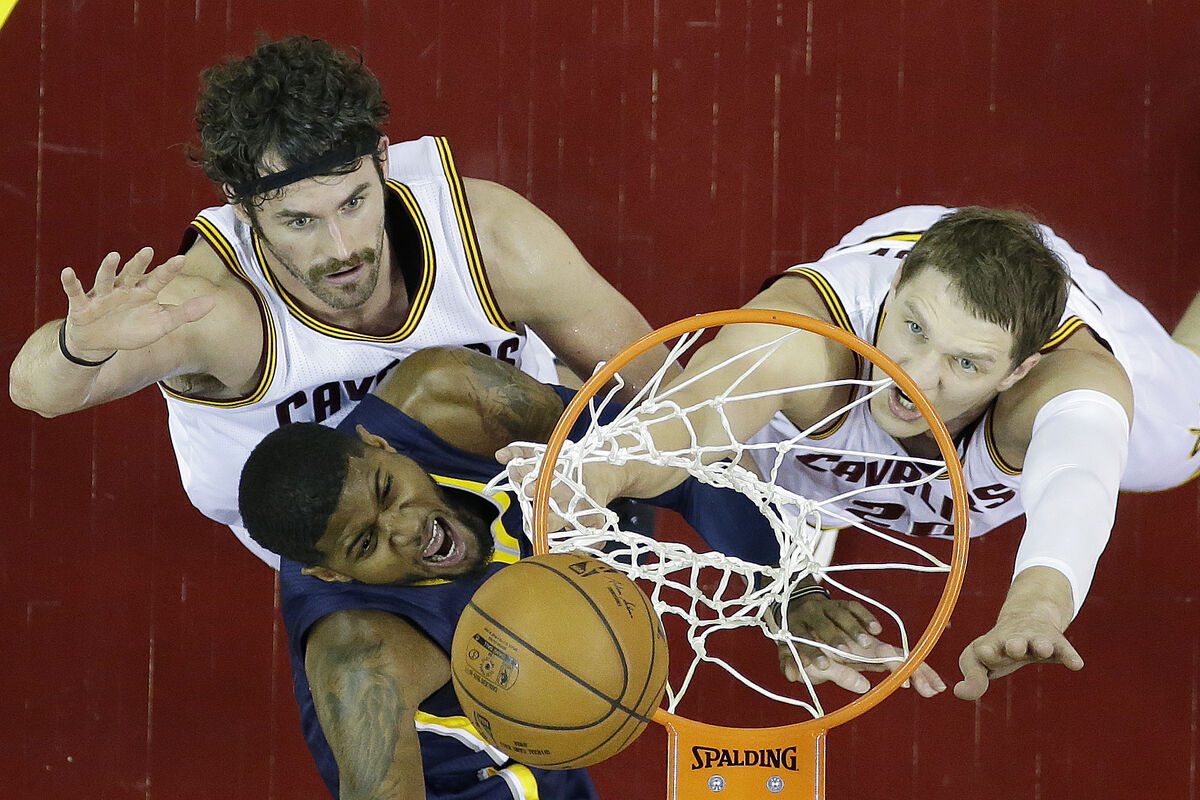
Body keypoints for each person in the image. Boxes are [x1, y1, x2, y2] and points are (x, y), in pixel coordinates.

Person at [7, 34, 670, 568]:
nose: (342, 246)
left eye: (353, 202)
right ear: (241, 207)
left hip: (519, 475)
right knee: (361, 664)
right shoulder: (213, 310)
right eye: (300, 221)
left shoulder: (489, 237)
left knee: (455, 384)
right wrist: (77, 347)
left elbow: (663, 388)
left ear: (383, 160)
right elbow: (36, 391)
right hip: (350, 550)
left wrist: (621, 474)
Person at [500, 204, 1200, 701]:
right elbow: (689, 423)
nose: (915, 378)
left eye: (964, 364)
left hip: (1077, 334)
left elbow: (1076, 483)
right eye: (912, 330)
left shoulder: (1065, 391)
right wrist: (595, 473)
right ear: (892, 294)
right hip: (810, 405)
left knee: (1185, 445)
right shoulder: (802, 344)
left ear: (1018, 371)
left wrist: (1038, 609)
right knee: (709, 426)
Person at [237, 346, 774, 800]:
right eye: (367, 543)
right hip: (469, 782)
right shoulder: (363, 660)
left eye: (387, 490)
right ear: (331, 575)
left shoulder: (447, 396)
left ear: (382, 445)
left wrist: (785, 583)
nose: (407, 528)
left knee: (613, 470)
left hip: (533, 713)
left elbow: (674, 452)